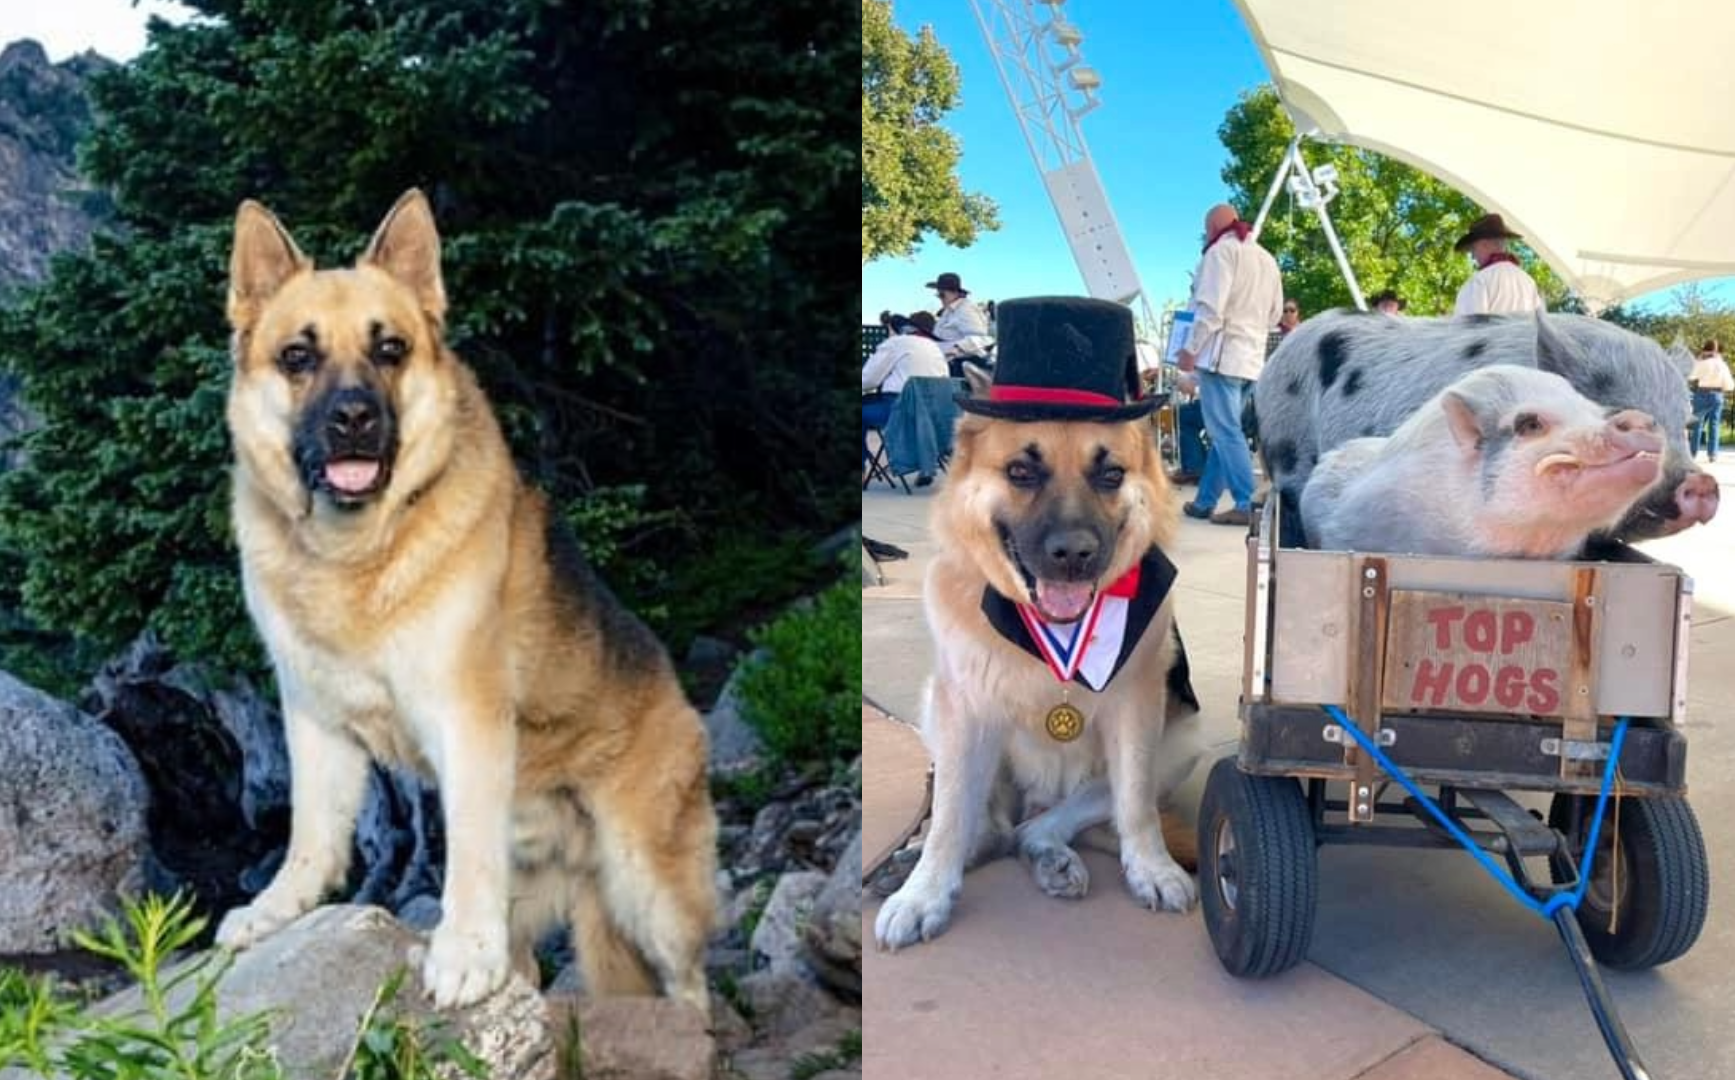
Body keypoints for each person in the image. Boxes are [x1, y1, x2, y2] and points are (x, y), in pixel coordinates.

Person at [1175, 203, 1283, 526]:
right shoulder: (1267, 259)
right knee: (1227, 434)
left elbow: (1211, 309)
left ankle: (1247, 503)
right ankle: (1205, 501)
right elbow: (1276, 316)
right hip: (1252, 359)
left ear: (1212, 229)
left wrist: (1190, 350)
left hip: (1223, 357)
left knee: (1225, 433)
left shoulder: (1219, 253)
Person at [862, 312, 947, 472]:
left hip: (900, 411)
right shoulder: (935, 349)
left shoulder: (897, 343)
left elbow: (869, 379)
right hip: (932, 416)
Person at [1452, 213, 1543, 316]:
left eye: (1473, 249)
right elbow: (1540, 325)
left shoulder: (1479, 281)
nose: (1473, 256)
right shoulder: (1528, 281)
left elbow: (1468, 329)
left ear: (1484, 245)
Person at [926, 272, 993, 371]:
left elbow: (981, 338)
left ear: (955, 292)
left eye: (942, 294)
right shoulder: (948, 312)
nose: (940, 298)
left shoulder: (966, 309)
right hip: (945, 364)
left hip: (961, 366)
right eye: (938, 295)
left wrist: (957, 349)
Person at [1688, 339, 1734, 462]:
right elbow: (1730, 385)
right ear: (1717, 351)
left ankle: (1692, 453)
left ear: (1705, 350)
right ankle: (1712, 454)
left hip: (1701, 393)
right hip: (1717, 394)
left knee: (1697, 425)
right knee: (1714, 425)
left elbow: (1691, 376)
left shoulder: (1702, 363)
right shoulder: (1722, 365)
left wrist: (1698, 360)